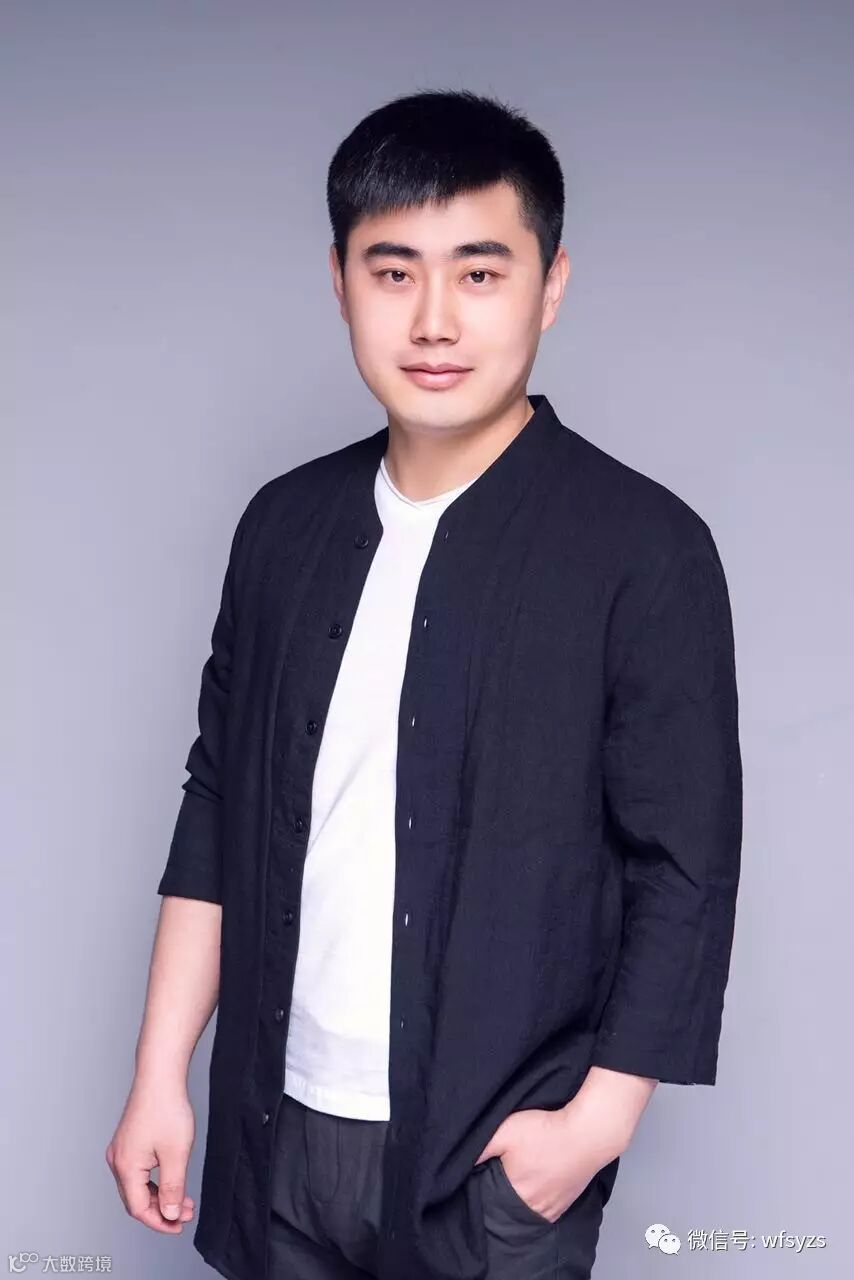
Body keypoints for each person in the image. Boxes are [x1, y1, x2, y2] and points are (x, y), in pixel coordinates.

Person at [106, 88, 743, 1280]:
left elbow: (682, 863)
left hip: (489, 1159)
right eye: (393, 272)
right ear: (339, 281)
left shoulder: (642, 547)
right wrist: (158, 1076)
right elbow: (217, 803)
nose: (435, 320)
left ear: (550, 285)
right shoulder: (283, 525)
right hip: (272, 1124)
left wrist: (590, 1129)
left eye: (480, 273)